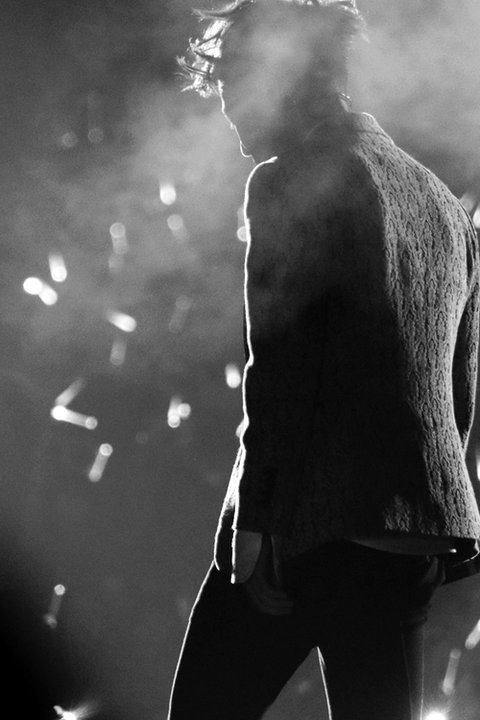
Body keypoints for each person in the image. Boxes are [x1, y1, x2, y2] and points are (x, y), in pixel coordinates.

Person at [168, 2, 480, 718]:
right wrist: (448, 509)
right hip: (412, 537)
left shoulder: (290, 179)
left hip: (310, 532)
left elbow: (280, 369)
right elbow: (461, 378)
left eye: (232, 86)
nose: (229, 112)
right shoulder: (440, 201)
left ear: (279, 76)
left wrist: (254, 526)